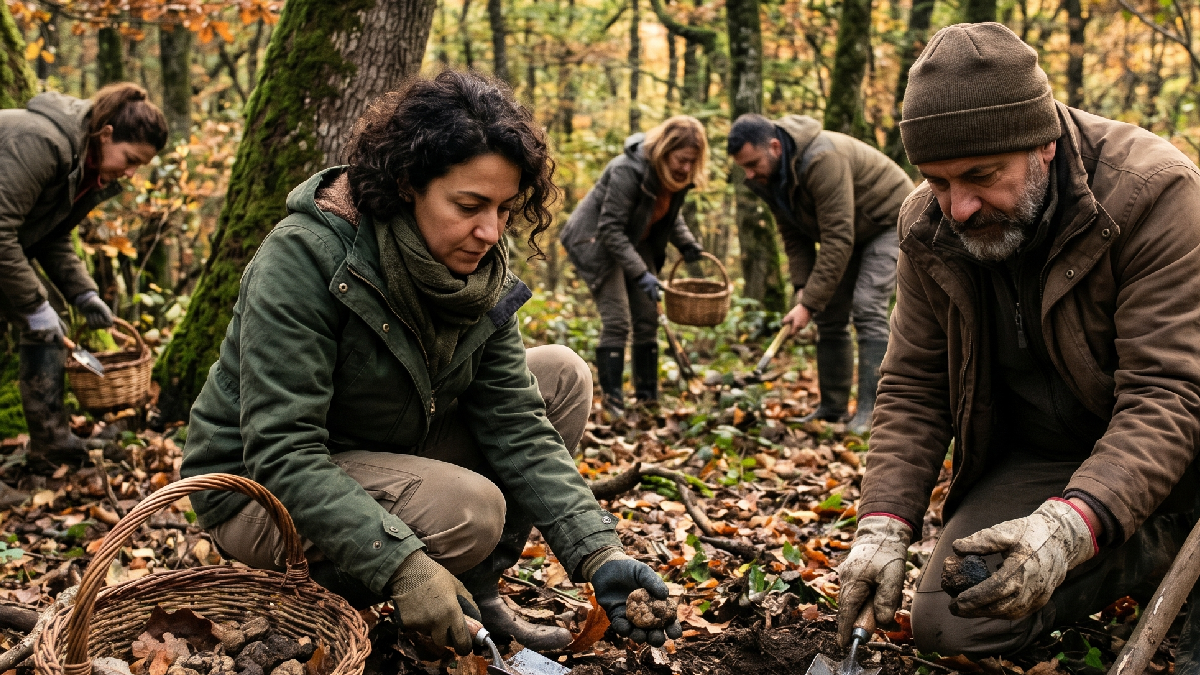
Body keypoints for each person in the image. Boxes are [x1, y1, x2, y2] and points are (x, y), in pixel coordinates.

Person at [181, 71, 682, 655]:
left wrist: (598, 552)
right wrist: (402, 568)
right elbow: (282, 450)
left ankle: (476, 594)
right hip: (259, 488)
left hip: (387, 450)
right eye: (469, 205)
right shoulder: (303, 258)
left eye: (504, 208)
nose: (491, 232)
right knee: (470, 510)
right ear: (405, 185)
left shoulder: (476, 274)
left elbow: (517, 424)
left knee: (561, 375)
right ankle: (331, 602)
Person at [836, 22, 1200, 665]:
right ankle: (1138, 547)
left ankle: (1162, 531)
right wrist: (884, 524)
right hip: (1048, 452)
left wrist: (1067, 531)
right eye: (938, 181)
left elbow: (1168, 393)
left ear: (1045, 145)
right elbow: (915, 383)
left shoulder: (1155, 194)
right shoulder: (928, 222)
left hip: (1177, 453)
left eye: (981, 175)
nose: (959, 208)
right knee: (953, 623)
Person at [0, 83, 166, 479]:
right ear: (105, 133)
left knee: (46, 325)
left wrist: (83, 294)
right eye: (129, 159)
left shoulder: (85, 171)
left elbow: (51, 235)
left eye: (138, 167)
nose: (129, 173)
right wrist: (34, 307)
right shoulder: (42, 143)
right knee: (38, 316)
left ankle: (51, 445)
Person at [727, 113, 913, 435]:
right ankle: (831, 409)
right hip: (853, 231)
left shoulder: (822, 159)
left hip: (888, 220)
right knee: (828, 314)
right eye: (744, 167)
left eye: (753, 163)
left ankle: (871, 413)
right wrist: (804, 289)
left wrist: (809, 302)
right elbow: (793, 234)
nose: (750, 173)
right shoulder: (769, 178)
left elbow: (837, 237)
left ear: (774, 147)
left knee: (867, 307)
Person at [560, 116, 707, 416]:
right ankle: (613, 406)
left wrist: (688, 244)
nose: (685, 168)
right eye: (681, 160)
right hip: (595, 241)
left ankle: (646, 399)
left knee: (647, 318)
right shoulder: (628, 170)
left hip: (634, 241)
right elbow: (610, 228)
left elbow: (668, 215)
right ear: (665, 151)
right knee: (618, 321)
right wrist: (641, 273)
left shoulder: (674, 178)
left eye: (693, 162)